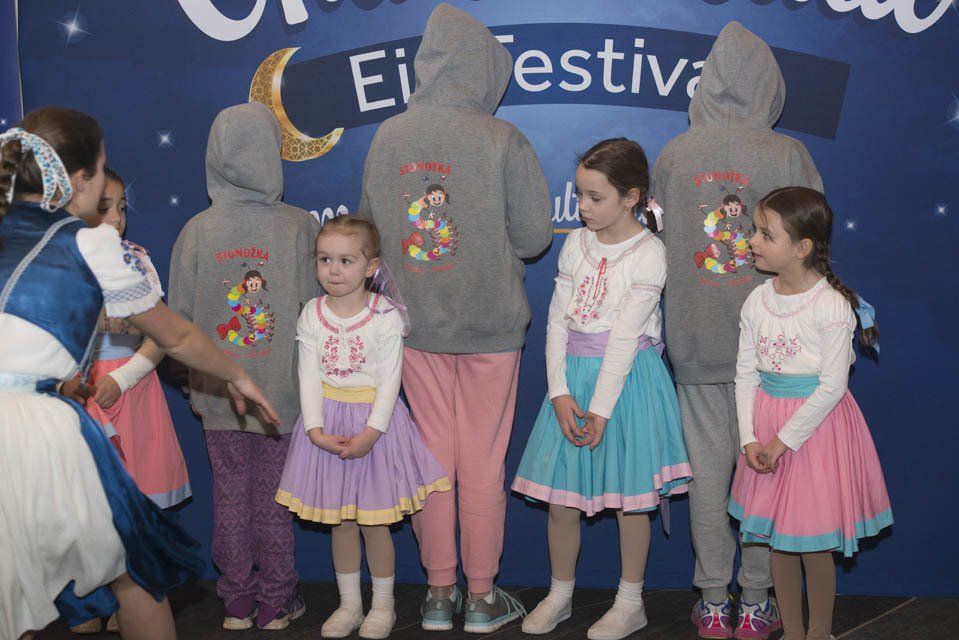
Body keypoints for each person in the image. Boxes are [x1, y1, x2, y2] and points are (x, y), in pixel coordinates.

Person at [0, 107, 278, 640]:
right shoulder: (89, 242)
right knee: (137, 576)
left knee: (17, 583)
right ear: (81, 181)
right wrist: (237, 375)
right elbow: (177, 335)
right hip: (37, 431)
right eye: (102, 169)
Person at [512, 138, 692, 640]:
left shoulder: (650, 253)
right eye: (579, 196)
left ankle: (630, 601)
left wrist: (601, 408)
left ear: (631, 196)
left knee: (632, 499)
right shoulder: (576, 243)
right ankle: (560, 594)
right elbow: (556, 323)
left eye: (595, 197)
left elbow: (625, 337)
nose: (583, 208)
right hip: (573, 380)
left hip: (627, 383)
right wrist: (559, 393)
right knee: (562, 501)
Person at [728, 186, 891, 640]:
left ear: (800, 248)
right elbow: (745, 376)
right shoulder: (757, 300)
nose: (752, 242)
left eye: (765, 234)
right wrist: (750, 440)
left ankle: (819, 633)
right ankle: (793, 632)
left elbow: (832, 387)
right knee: (778, 541)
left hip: (814, 436)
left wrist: (783, 441)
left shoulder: (830, 307)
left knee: (813, 544)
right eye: (755, 231)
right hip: (765, 430)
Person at [276, 215, 449, 639]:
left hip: (377, 429)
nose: (333, 270)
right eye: (325, 259)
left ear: (371, 267)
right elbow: (309, 375)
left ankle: (383, 606)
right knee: (342, 522)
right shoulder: (313, 314)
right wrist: (315, 430)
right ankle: (350, 604)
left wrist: (372, 432)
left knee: (375, 523)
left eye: (346, 260)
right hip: (328, 426)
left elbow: (391, 380)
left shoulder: (384, 315)